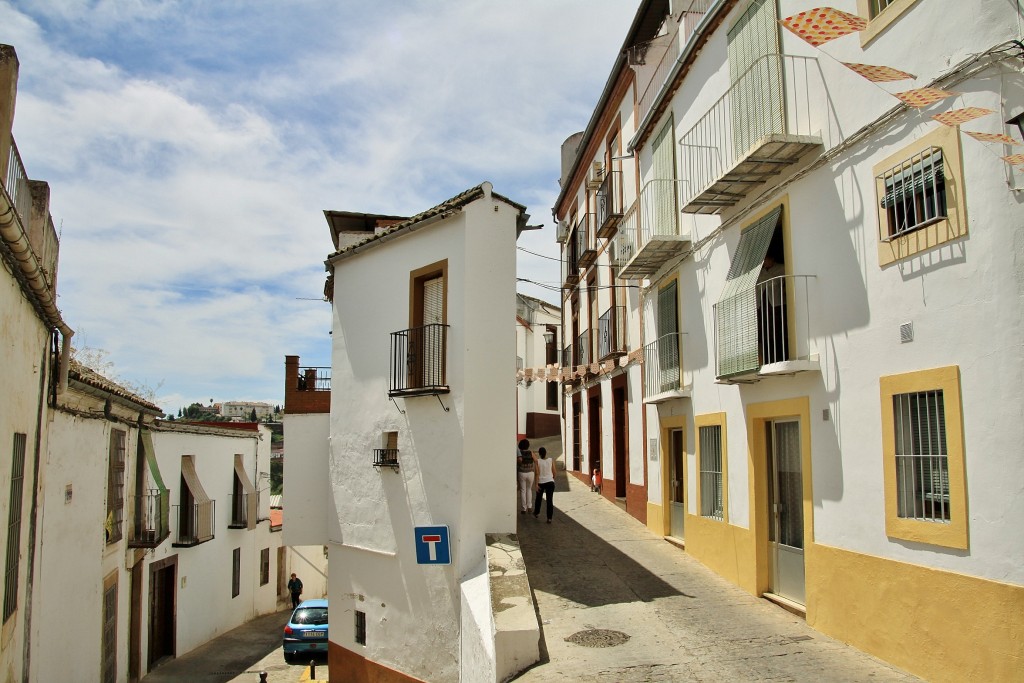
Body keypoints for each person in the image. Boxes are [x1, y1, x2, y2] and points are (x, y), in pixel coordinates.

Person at [533, 446, 557, 523]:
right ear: (546, 453)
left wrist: (536, 484)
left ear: (539, 454)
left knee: (538, 498)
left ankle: (537, 512)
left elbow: (537, 474)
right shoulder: (550, 460)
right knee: (549, 500)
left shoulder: (538, 461)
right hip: (550, 482)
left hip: (541, 482)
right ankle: (549, 518)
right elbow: (554, 472)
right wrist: (552, 478)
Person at [517, 439, 535, 514]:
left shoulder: (519, 452)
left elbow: (518, 461)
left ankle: (524, 508)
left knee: (523, 490)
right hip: (530, 472)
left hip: (522, 472)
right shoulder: (530, 452)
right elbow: (536, 460)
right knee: (529, 489)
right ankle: (529, 506)